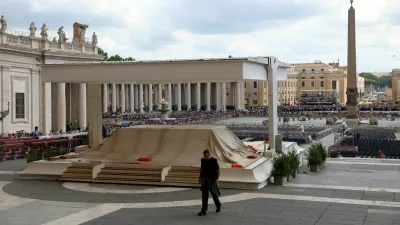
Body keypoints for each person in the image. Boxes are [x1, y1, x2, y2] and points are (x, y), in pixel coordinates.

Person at [198, 150, 221, 216]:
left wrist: (217, 179)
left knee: (214, 194)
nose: (205, 157)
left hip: (212, 180)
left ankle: (218, 205)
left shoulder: (214, 160)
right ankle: (203, 210)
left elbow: (217, 170)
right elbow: (201, 169)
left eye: (206, 156)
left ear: (209, 154)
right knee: (204, 196)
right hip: (204, 180)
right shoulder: (202, 160)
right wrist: (199, 178)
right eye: (204, 156)